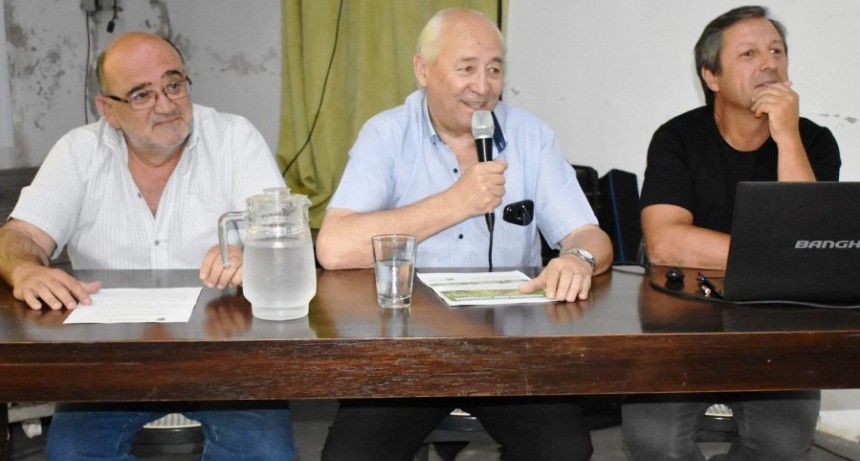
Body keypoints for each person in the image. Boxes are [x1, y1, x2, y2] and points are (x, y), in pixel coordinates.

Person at [315, 8, 612, 461]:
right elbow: (334, 247)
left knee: (564, 450)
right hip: (407, 348)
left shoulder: (530, 136)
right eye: (466, 68)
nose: (483, 85)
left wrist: (578, 259)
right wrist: (457, 202)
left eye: (494, 69)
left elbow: (589, 234)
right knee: (350, 456)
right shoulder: (386, 135)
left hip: (509, 346)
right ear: (422, 70)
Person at [0, 32, 296, 460]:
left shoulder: (234, 139)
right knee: (70, 456)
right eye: (141, 95)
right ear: (109, 111)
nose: (165, 104)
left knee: (266, 455)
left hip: (229, 361)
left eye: (173, 85)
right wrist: (26, 269)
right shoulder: (79, 153)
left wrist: (258, 258)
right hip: (108, 368)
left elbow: (288, 240)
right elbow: (17, 237)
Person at [624, 6, 840, 461]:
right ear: (712, 76)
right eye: (749, 53)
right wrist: (779, 256)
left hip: (774, 322)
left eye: (777, 51)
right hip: (680, 320)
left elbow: (809, 245)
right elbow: (664, 243)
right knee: (655, 442)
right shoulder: (677, 138)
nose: (769, 63)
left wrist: (787, 136)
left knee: (781, 445)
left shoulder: (814, 142)